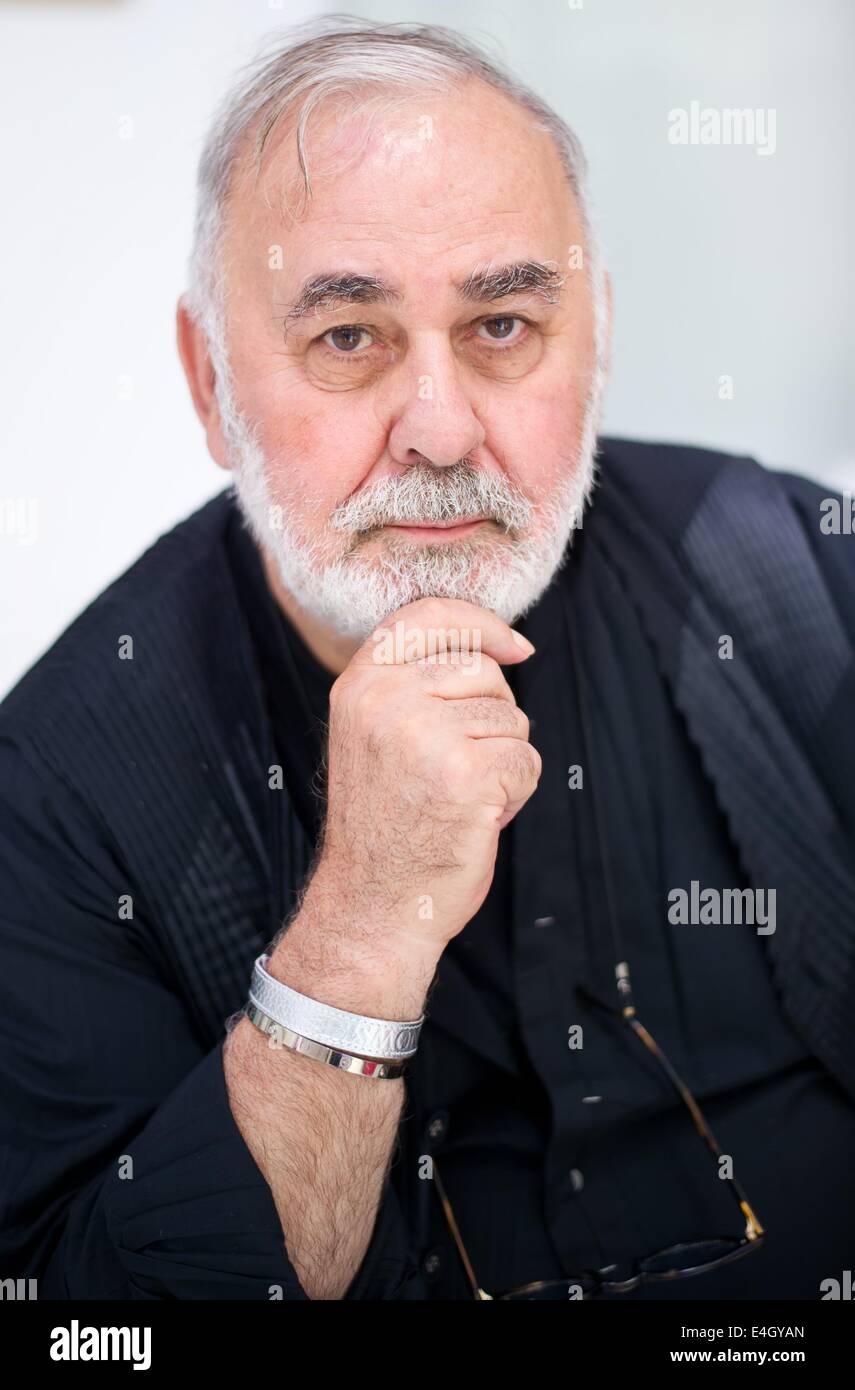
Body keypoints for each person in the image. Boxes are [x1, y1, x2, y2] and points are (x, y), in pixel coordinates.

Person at [1, 17, 853, 1302]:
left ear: (598, 334)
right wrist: (356, 932)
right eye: (349, 338)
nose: (443, 430)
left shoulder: (789, 573)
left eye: (504, 323)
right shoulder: (54, 799)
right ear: (209, 382)